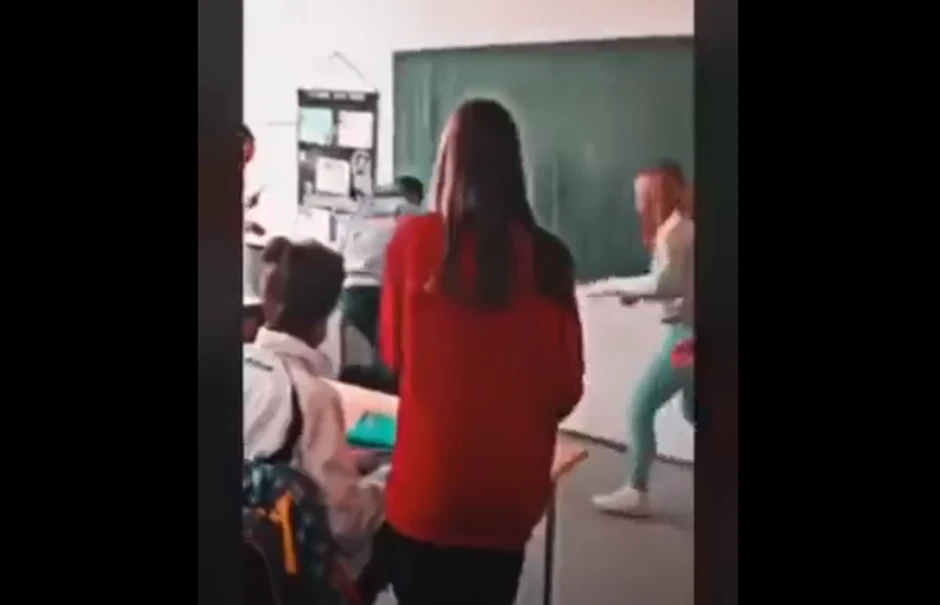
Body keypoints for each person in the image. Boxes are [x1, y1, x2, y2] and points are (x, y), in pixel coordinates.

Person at [374, 99, 584, 605]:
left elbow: (394, 357)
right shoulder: (550, 258)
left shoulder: (413, 243)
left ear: (448, 162)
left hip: (428, 493)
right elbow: (566, 390)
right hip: (509, 502)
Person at [242, 236, 388, 601]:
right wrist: (385, 484)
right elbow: (345, 524)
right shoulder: (313, 396)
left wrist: (346, 463)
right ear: (325, 320)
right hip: (289, 572)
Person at [584, 161, 695, 518]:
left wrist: (612, 286)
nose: (636, 204)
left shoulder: (674, 231)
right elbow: (674, 281)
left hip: (687, 338)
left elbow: (665, 284)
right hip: (692, 332)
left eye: (640, 195)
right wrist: (638, 293)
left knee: (640, 406)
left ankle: (636, 489)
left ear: (655, 196)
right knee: (696, 411)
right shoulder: (681, 228)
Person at [340, 176, 425, 349]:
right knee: (386, 350)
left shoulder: (363, 209)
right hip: (379, 290)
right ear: (414, 195)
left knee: (357, 351)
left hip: (349, 289)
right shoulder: (409, 210)